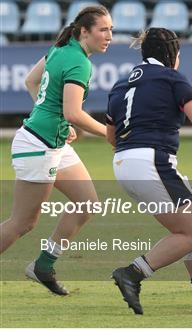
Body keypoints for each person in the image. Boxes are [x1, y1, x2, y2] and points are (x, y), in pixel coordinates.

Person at [106, 27, 192, 315]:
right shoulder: (171, 77)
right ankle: (132, 273)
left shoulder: (121, 83)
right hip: (152, 161)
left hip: (123, 163)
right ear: (172, 54)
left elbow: (111, 134)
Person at [0, 5, 113, 296]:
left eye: (111, 29)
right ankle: (43, 266)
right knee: (23, 223)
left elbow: (32, 82)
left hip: (53, 142)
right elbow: (74, 113)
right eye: (103, 29)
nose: (109, 35)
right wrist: (110, 134)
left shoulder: (62, 48)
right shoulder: (78, 61)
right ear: (84, 31)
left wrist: (60, 118)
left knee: (87, 204)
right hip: (38, 145)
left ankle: (44, 266)